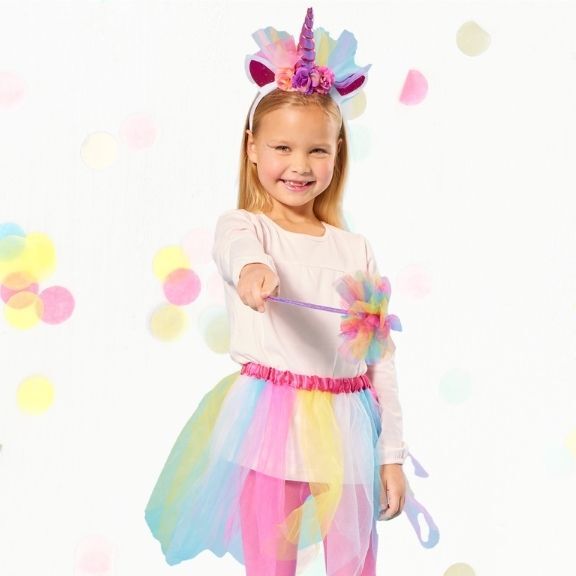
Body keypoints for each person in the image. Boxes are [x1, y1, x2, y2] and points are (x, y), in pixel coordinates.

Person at [145, 7, 408, 576]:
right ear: (252, 148)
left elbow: (379, 358)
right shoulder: (246, 228)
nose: (300, 165)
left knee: (355, 562)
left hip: (348, 424)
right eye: (283, 148)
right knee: (271, 562)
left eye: (318, 150)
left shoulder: (355, 249)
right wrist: (253, 272)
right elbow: (237, 251)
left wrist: (392, 456)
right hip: (270, 422)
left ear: (338, 155)